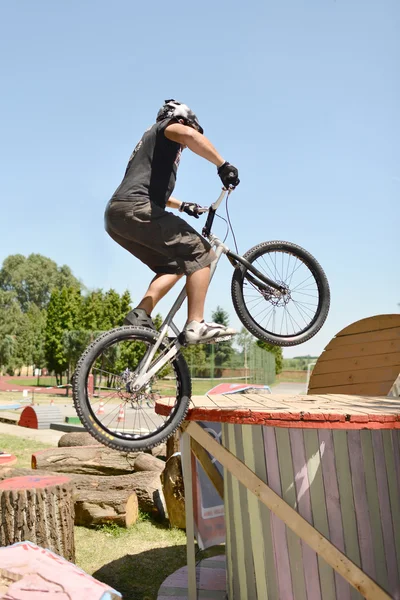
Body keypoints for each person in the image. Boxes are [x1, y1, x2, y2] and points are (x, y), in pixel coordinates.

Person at [104, 99, 240, 344]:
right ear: (181, 120)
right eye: (190, 128)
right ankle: (195, 324)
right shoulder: (168, 127)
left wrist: (183, 206)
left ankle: (141, 312)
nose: (184, 148)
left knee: (174, 266)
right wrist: (222, 164)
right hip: (136, 209)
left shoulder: (151, 148)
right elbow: (188, 135)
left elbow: (154, 193)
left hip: (119, 216)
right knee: (200, 251)